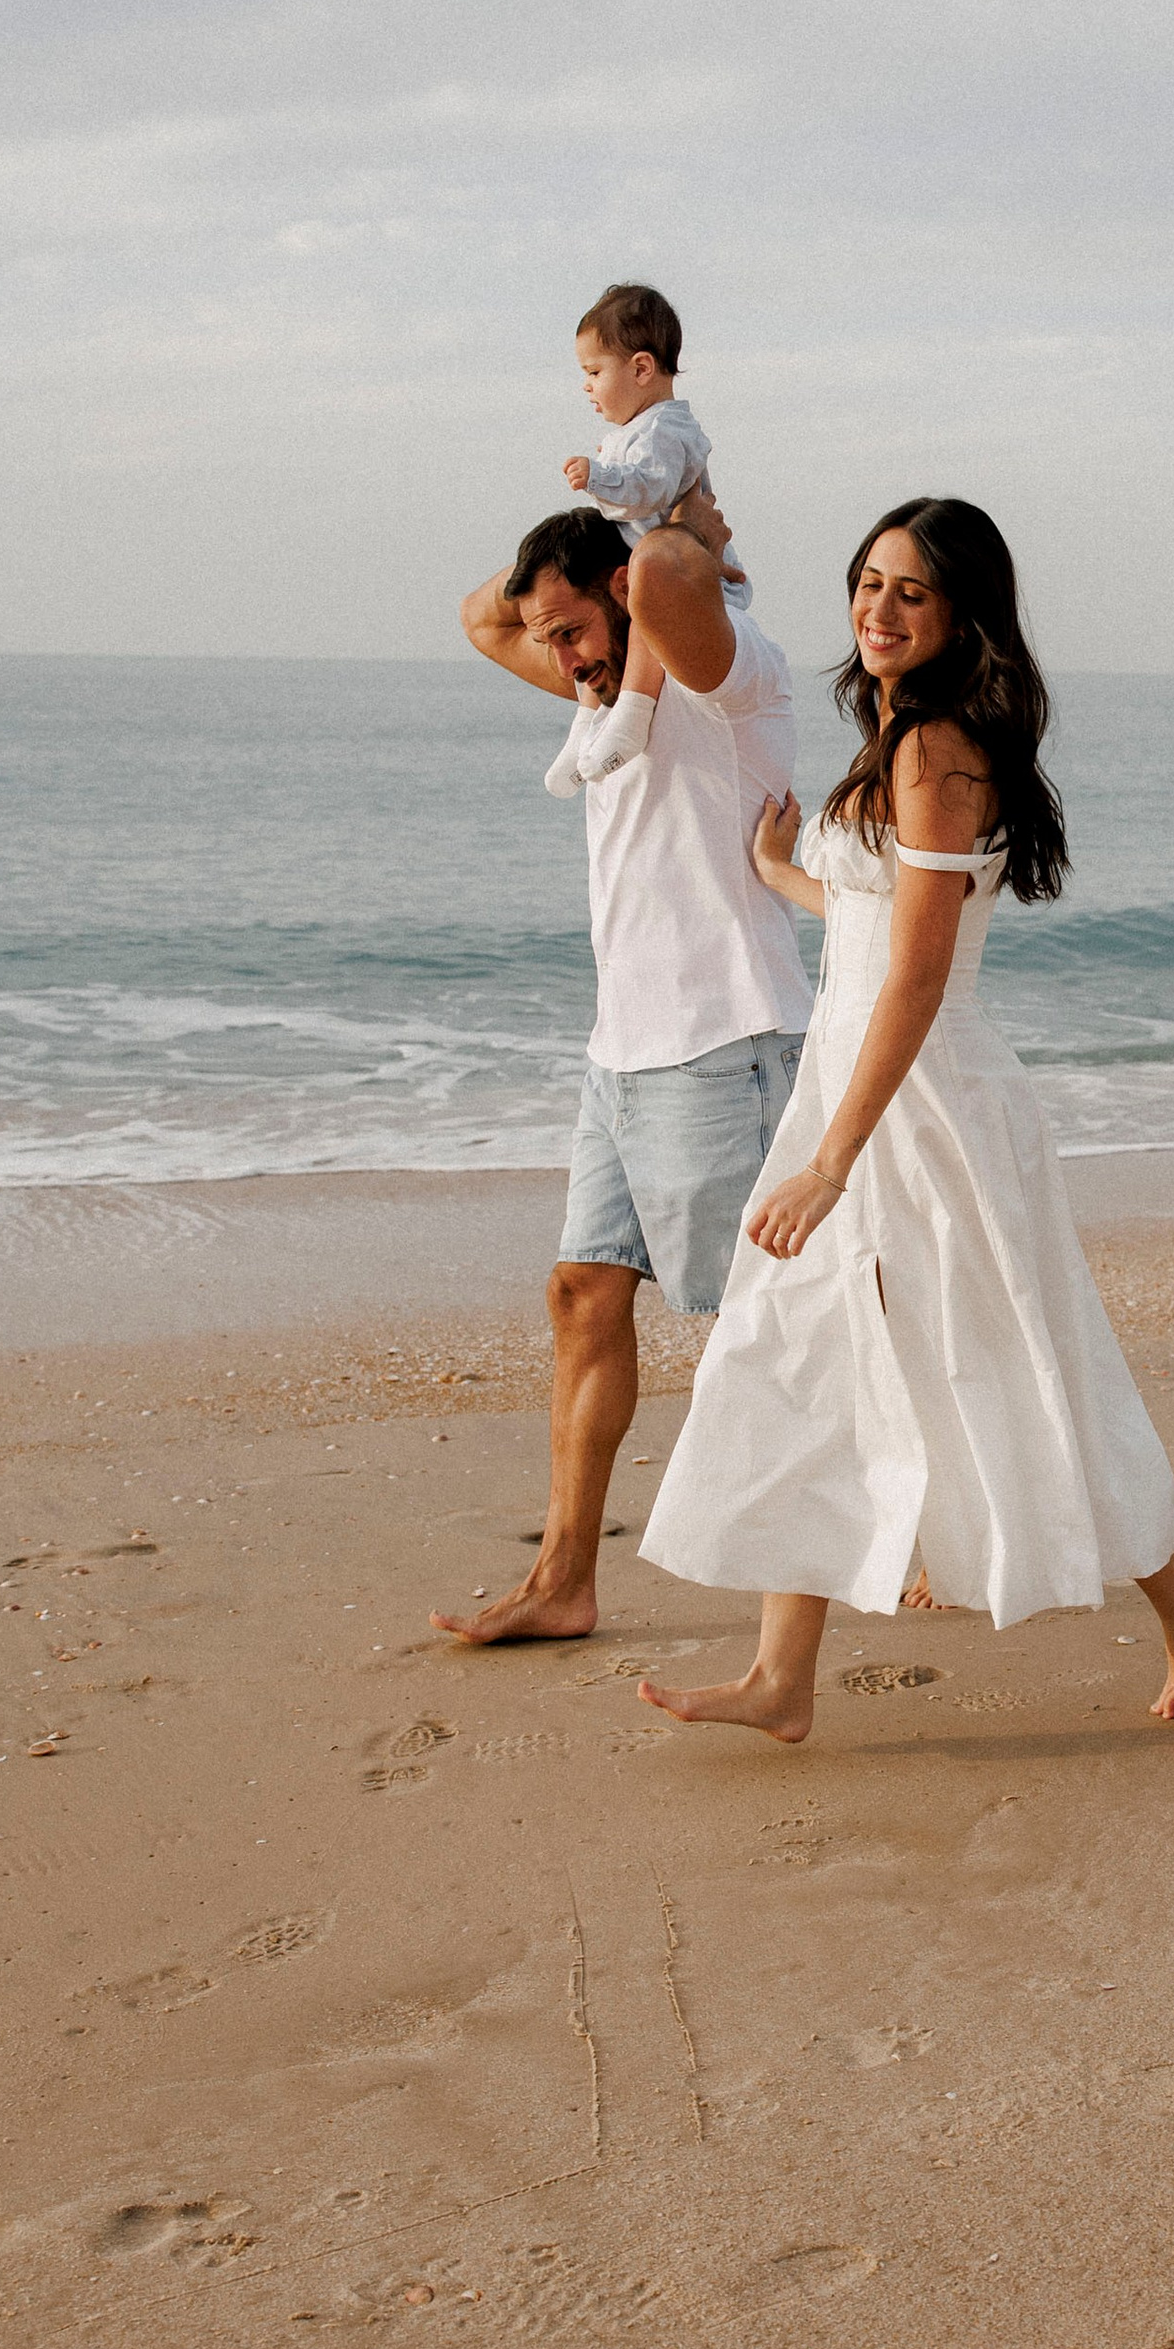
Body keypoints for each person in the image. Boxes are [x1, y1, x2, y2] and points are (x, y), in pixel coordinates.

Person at [635, 496, 1174, 1738]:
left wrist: (832, 1163)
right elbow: (876, 929)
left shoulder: (935, 748)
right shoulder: (903, 737)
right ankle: (781, 1674)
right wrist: (783, 877)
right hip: (859, 1094)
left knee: (1008, 1369)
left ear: (962, 611)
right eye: (866, 583)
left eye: (910, 590)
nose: (878, 608)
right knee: (803, 1356)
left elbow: (916, 976)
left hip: (917, 1112)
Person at [431, 492, 811, 1648]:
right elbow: (474, 618)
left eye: (573, 626)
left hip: (720, 1046)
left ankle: (923, 1523)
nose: (555, 654)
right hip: (623, 1053)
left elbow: (665, 585)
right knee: (581, 1295)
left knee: (782, 1321)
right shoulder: (601, 698)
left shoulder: (715, 677)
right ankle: (564, 1579)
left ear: (628, 598)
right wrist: (561, 578)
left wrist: (662, 504)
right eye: (547, 633)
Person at [548, 281, 754, 795]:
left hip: (680, 580)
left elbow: (648, 488)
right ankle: (587, 727)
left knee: (644, 608)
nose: (587, 387)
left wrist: (599, 475)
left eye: (594, 372)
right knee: (610, 616)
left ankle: (633, 714)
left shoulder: (665, 431)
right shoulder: (640, 428)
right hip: (645, 568)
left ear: (641, 369)